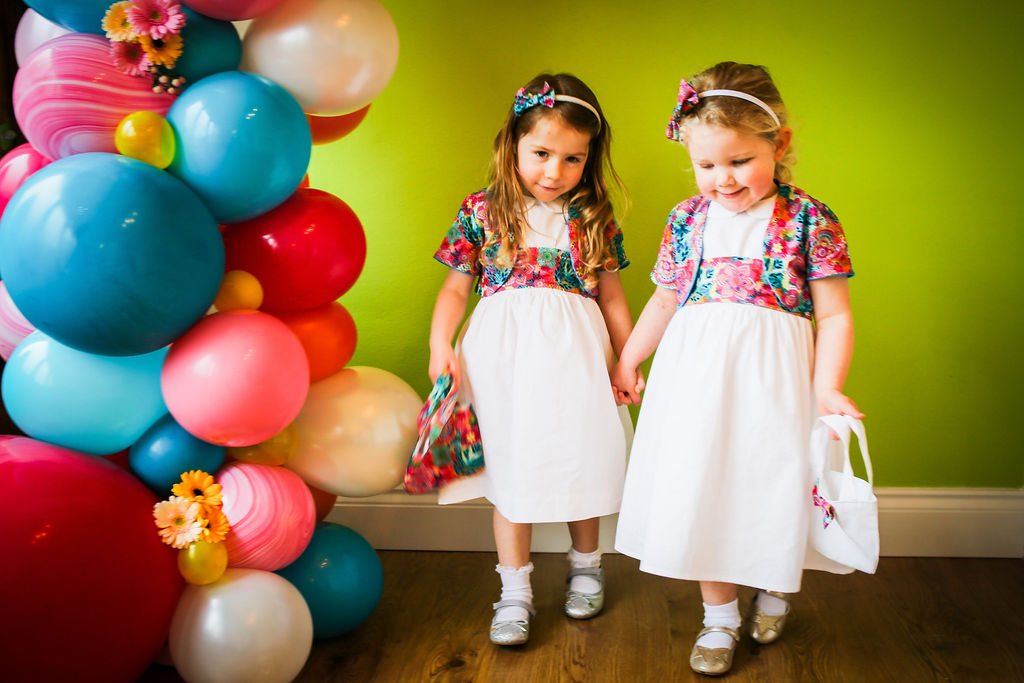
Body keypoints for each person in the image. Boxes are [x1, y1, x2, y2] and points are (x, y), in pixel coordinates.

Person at [611, 61, 863, 676]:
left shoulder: (809, 218)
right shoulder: (686, 220)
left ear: (779, 145)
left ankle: (775, 585)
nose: (722, 179)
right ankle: (719, 617)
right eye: (706, 165)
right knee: (701, 486)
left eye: (739, 161)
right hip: (694, 381)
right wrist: (629, 356)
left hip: (775, 384)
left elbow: (833, 316)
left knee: (771, 487)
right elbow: (666, 298)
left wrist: (827, 385)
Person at [427, 72, 635, 647]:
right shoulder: (482, 210)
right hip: (501, 361)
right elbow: (454, 288)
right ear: (512, 144)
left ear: (588, 160)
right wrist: (440, 343)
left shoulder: (591, 213)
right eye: (541, 153)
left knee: (581, 460)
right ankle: (514, 590)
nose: (554, 171)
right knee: (511, 471)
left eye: (572, 159)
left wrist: (627, 360)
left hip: (577, 358)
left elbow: (612, 293)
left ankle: (587, 566)